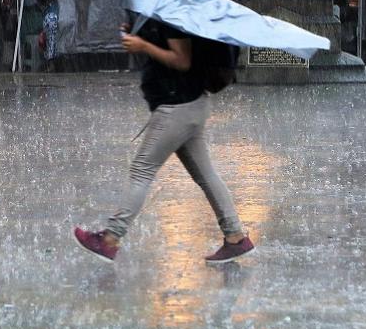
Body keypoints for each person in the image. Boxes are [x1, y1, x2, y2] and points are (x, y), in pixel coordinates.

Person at [73, 19, 254, 264]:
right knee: (206, 175)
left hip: (176, 108)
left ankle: (110, 239)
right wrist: (140, 36)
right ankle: (235, 236)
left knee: (141, 171)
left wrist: (143, 45)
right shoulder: (164, 17)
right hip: (191, 105)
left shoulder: (171, 18)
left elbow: (181, 59)